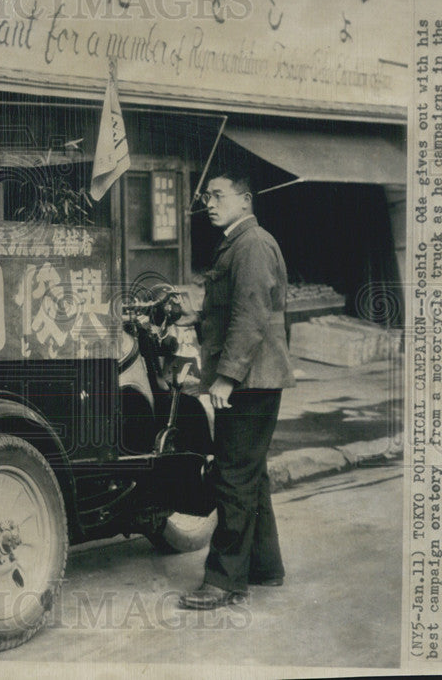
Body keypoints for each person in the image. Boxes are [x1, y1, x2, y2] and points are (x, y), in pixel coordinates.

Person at [175, 172, 296, 610]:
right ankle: (265, 567)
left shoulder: (253, 244)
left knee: (232, 477)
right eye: (207, 196)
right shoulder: (236, 241)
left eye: (218, 195)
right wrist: (197, 319)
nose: (209, 202)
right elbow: (231, 310)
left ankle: (225, 582)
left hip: (249, 380)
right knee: (250, 474)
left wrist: (226, 376)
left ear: (245, 200)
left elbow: (251, 315)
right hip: (253, 376)